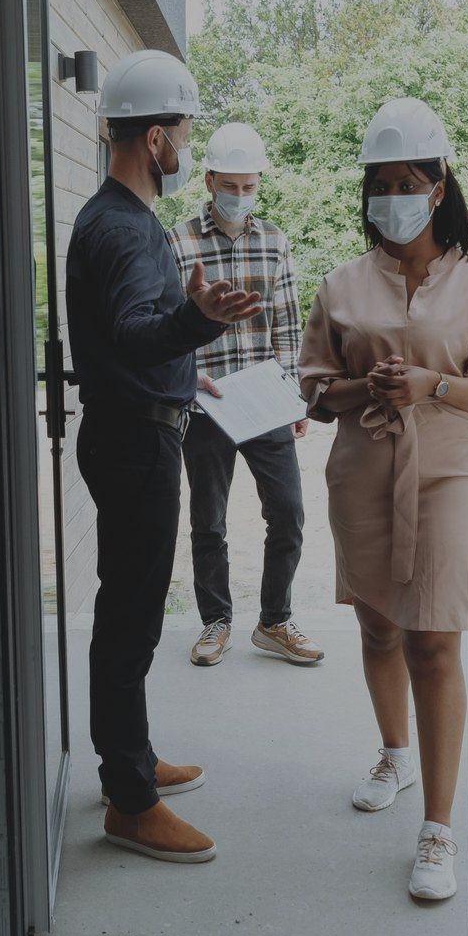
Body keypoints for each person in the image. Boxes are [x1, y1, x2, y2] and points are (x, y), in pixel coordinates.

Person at [67, 49, 263, 864]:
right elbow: (132, 333)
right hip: (135, 443)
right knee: (131, 621)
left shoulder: (111, 217)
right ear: (155, 138)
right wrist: (197, 324)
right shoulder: (124, 226)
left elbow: (134, 340)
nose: (188, 146)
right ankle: (130, 800)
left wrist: (189, 372)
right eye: (183, 130)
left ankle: (133, 765)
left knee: (130, 611)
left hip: (136, 428)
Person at [296, 98, 468, 900]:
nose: (391, 197)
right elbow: (311, 389)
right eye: (379, 184)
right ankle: (395, 754)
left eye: (407, 181)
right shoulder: (340, 284)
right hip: (363, 472)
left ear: (439, 188)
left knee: (434, 642)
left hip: (447, 473)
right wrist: (353, 386)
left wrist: (433, 382)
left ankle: (438, 829)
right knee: (376, 627)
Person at [165, 122, 324, 670]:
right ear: (208, 180)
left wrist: (294, 397)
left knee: (289, 513)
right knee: (209, 519)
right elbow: (166, 323)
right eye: (229, 184)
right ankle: (216, 621)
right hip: (206, 401)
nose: (239, 195)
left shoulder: (275, 242)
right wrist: (185, 380)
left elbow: (286, 323)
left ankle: (274, 621)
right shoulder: (178, 241)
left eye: (248, 185)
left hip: (262, 400)